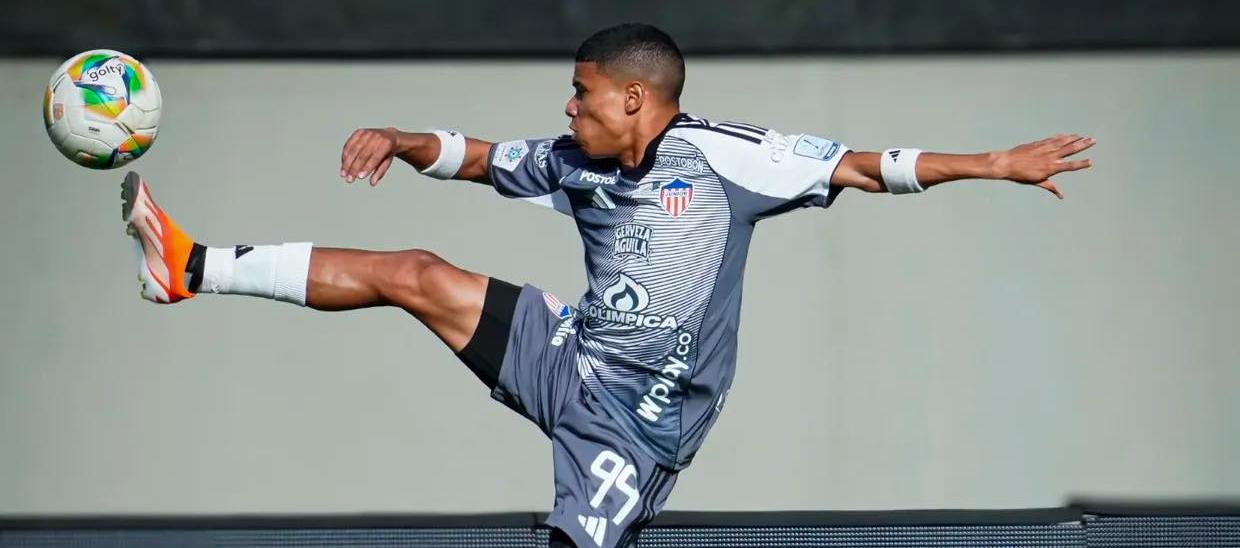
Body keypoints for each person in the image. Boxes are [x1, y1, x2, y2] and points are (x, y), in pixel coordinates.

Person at [119, 23, 1093, 548]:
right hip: (567, 351)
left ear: (633, 97)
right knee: (416, 272)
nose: (568, 106)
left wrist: (995, 161)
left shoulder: (726, 158)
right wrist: (404, 138)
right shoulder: (573, 159)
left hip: (638, 426)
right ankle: (189, 265)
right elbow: (483, 158)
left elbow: (867, 165)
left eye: (580, 92)